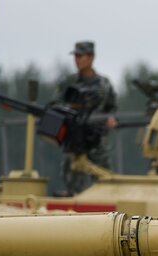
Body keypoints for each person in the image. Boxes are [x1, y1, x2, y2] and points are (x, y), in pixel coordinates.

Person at [55, 41, 118, 196]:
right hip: (74, 139)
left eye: (80, 56)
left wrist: (111, 119)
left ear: (91, 58)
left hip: (96, 140)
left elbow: (112, 107)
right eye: (75, 56)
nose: (77, 60)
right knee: (71, 180)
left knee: (104, 180)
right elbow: (56, 106)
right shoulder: (68, 83)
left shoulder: (104, 84)